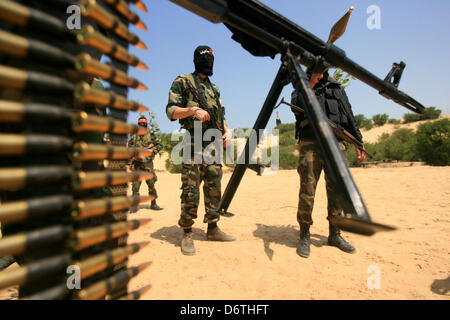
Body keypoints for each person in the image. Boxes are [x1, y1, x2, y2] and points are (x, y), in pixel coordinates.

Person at [166, 45, 235, 256]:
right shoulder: (183, 81)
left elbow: (220, 117)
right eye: (205, 59)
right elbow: (170, 111)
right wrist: (192, 110)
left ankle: (213, 228)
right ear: (197, 60)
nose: (209, 63)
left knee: (214, 186)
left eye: (211, 59)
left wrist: (227, 131)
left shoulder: (215, 89)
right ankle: (187, 233)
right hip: (193, 142)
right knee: (191, 187)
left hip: (213, 144)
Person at [291, 70, 367, 258]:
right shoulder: (301, 84)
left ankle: (335, 234)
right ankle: (305, 235)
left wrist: (358, 141)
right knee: (307, 191)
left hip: (336, 144)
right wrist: (311, 82)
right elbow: (297, 106)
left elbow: (348, 114)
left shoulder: (336, 88)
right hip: (310, 143)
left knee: (337, 191)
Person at [128, 116, 163, 212]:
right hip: (137, 164)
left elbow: (160, 145)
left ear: (146, 124)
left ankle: (154, 204)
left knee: (151, 184)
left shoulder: (151, 135)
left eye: (144, 124)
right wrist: (131, 162)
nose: (142, 125)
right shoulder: (133, 137)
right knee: (135, 186)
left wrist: (152, 151)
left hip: (148, 164)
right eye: (140, 124)